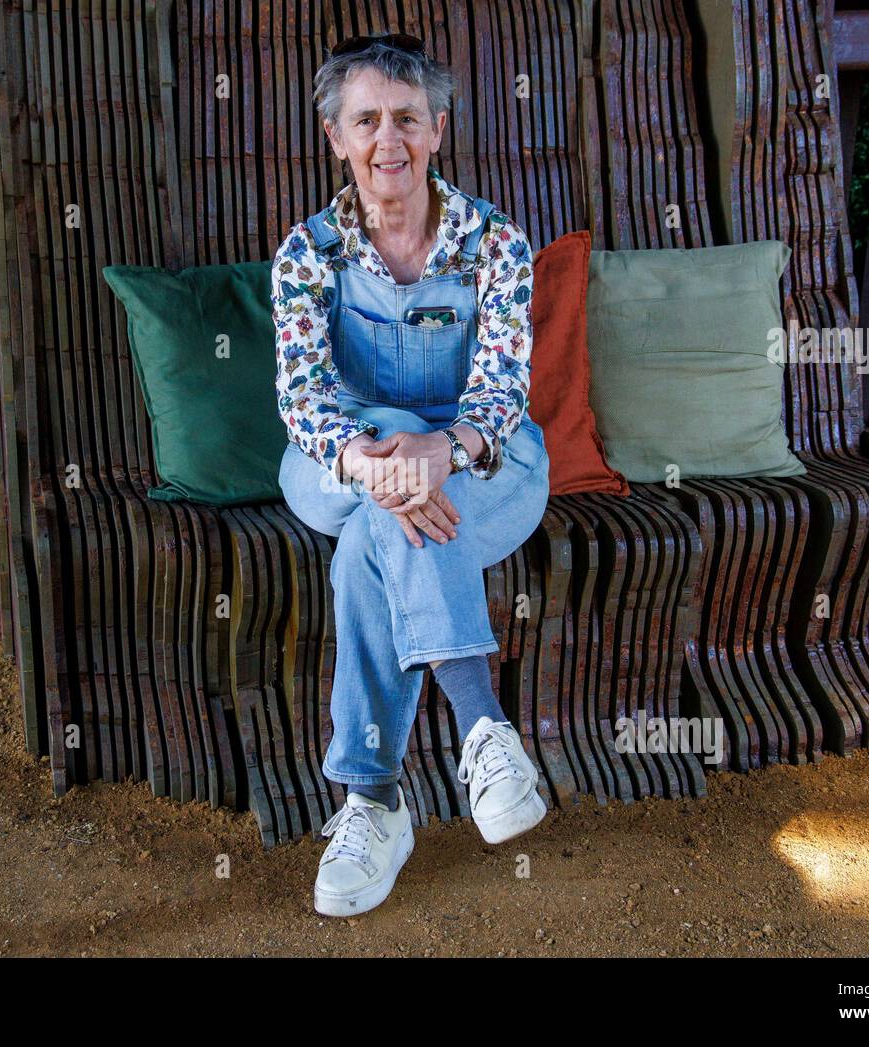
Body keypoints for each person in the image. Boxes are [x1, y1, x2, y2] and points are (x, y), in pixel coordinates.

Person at [271, 33, 551, 917]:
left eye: (405, 119)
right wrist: (375, 456)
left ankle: (373, 799)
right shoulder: (306, 253)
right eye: (366, 121)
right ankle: (483, 727)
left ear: (437, 128)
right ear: (335, 136)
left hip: (488, 469)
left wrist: (449, 449)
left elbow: (504, 389)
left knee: (370, 541)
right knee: (380, 476)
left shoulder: (495, 243)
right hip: (339, 466)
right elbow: (304, 394)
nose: (387, 140)